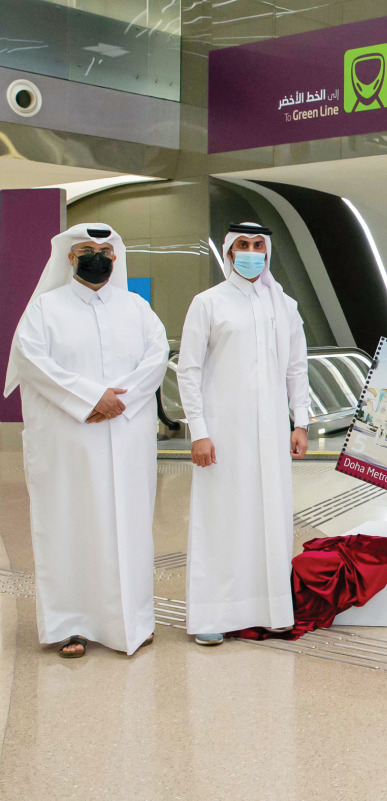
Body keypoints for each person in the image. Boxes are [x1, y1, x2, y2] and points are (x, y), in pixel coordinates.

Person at [4, 224, 168, 657]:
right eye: (86, 249)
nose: (97, 257)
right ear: (69, 257)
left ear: (116, 258)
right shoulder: (45, 308)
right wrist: (92, 398)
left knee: (129, 527)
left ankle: (133, 623)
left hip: (126, 438)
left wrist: (119, 402)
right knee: (68, 524)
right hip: (68, 442)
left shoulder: (137, 308)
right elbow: (32, 360)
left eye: (105, 250)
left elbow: (156, 359)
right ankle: (71, 625)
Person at [178, 222, 311, 646]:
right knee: (221, 518)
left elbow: (297, 367)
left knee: (270, 517)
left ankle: (271, 610)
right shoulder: (208, 302)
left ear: (267, 251)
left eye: (258, 245)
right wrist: (198, 431)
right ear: (229, 252)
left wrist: (301, 421)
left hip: (271, 432)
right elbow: (189, 370)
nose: (251, 251)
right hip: (222, 431)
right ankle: (211, 614)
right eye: (243, 245)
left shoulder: (284, 305)